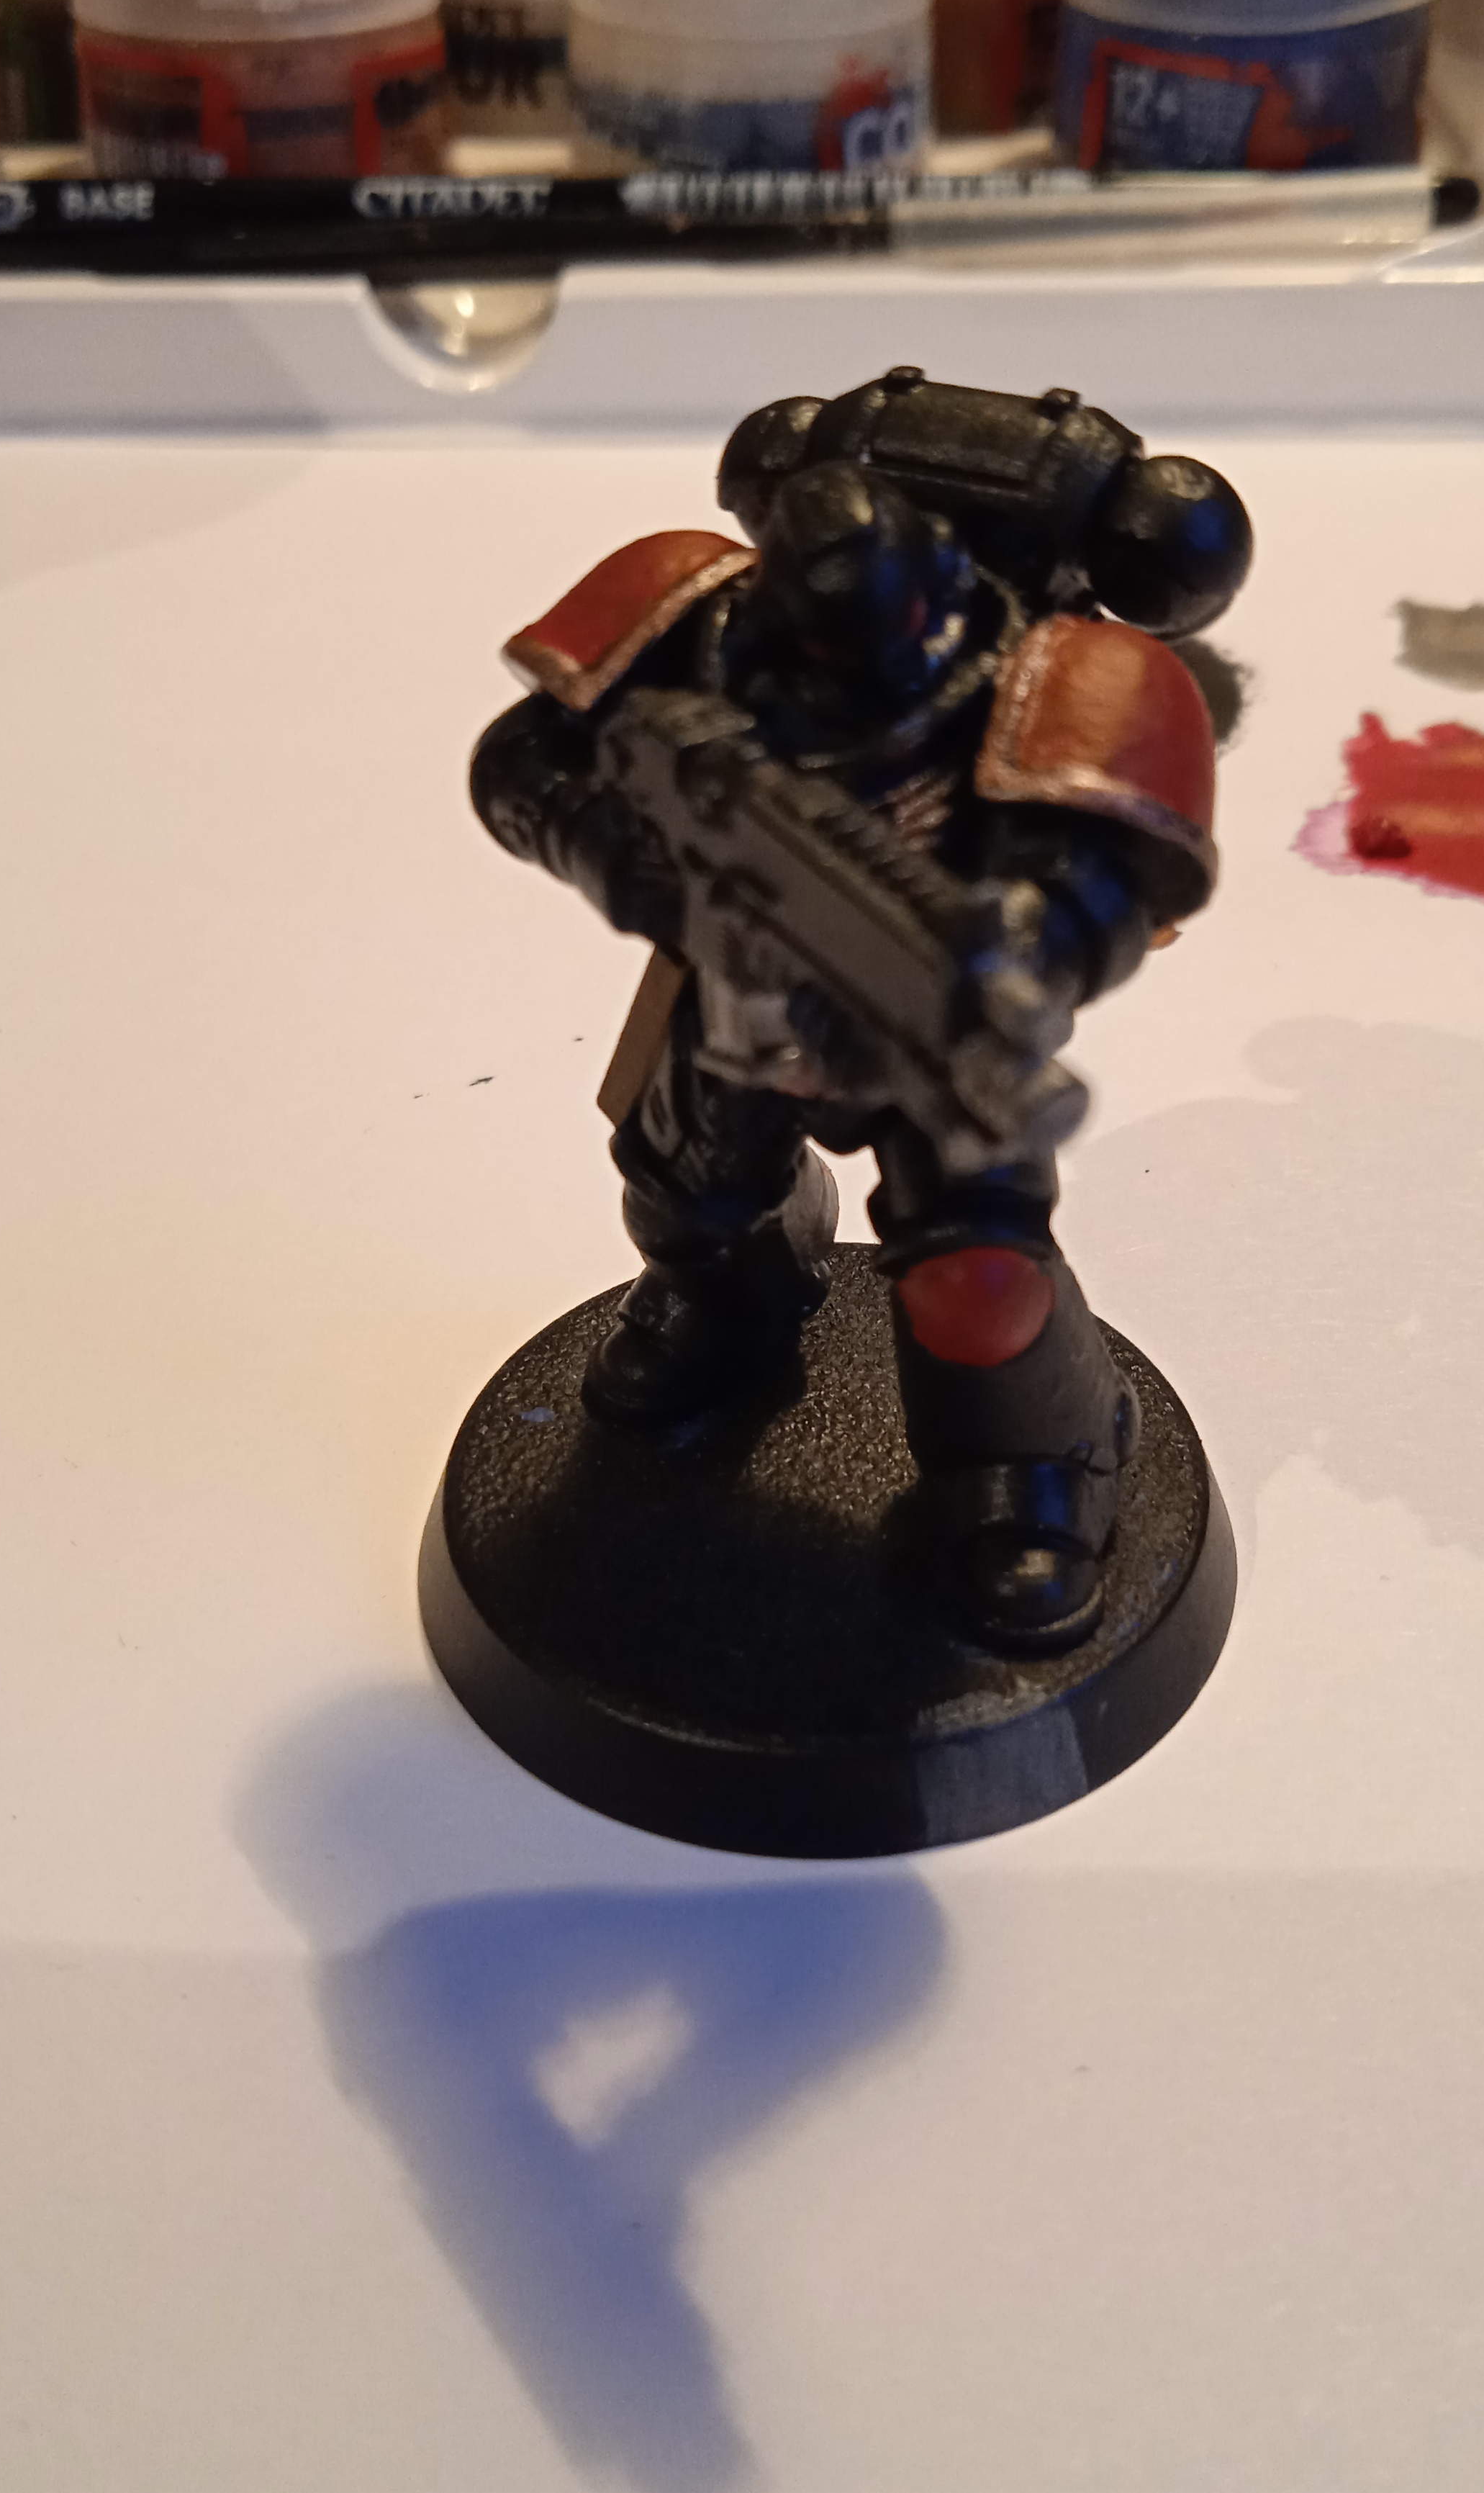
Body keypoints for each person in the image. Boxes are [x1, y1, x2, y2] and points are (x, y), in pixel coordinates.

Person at [469, 371, 1248, 1654]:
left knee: (979, 1273)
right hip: (729, 976)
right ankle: (733, 1309)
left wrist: (1024, 941)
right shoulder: (695, 614)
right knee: (683, 1188)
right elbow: (521, 762)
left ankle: (1032, 1470)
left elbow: (1109, 885)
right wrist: (635, 859)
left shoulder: (1066, 677)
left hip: (926, 1017)